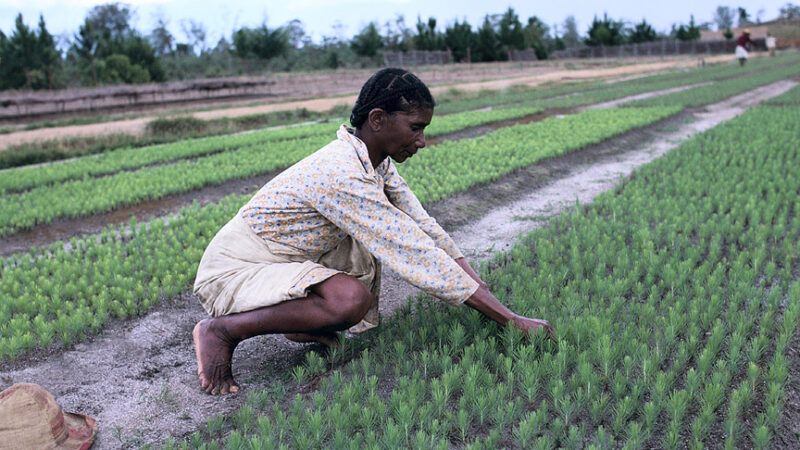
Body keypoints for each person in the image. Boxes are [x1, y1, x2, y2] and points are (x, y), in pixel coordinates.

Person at [191, 68, 555, 395]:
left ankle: (303, 322)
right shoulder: (341, 172)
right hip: (234, 269)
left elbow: (424, 228)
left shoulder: (373, 163)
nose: (422, 140)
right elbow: (411, 250)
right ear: (377, 119)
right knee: (348, 300)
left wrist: (485, 292)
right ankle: (221, 331)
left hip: (283, 259)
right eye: (416, 127)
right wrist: (509, 320)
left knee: (360, 264)